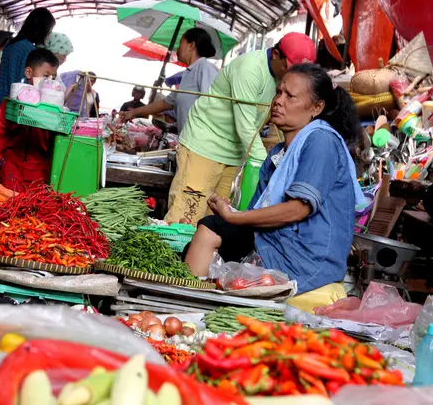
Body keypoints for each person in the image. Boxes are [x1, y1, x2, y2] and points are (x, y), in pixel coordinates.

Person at [184, 63, 365, 306]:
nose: (278, 101)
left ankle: (188, 308)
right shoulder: (279, 153)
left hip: (307, 256)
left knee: (210, 228)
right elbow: (257, 213)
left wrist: (233, 218)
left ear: (317, 107)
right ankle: (193, 306)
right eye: (278, 92)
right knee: (200, 237)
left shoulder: (321, 141)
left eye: (290, 96)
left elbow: (298, 209)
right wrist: (231, 213)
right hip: (276, 240)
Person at [164, 32, 316, 224]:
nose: (290, 74)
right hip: (204, 146)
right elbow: (245, 125)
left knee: (213, 223)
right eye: (289, 67)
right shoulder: (250, 68)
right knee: (184, 219)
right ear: (276, 54)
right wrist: (271, 164)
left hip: (234, 154)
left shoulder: (284, 78)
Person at [119, 28, 219, 130]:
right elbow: (165, 103)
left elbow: (213, 107)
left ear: (191, 45)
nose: (177, 47)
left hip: (200, 143)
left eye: (181, 43)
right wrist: (132, 112)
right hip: (186, 141)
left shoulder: (205, 68)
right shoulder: (188, 74)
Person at [0, 49, 59, 190]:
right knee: (8, 204)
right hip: (11, 164)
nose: (49, 81)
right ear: (28, 73)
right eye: (45, 76)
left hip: (39, 168)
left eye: (53, 77)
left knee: (33, 207)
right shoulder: (12, 103)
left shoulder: (53, 108)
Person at [0, 8, 55, 108]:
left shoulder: (12, 44)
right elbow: (23, 80)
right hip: (14, 107)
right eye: (49, 31)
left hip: (2, 100)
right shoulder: (27, 48)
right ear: (41, 29)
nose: (48, 36)